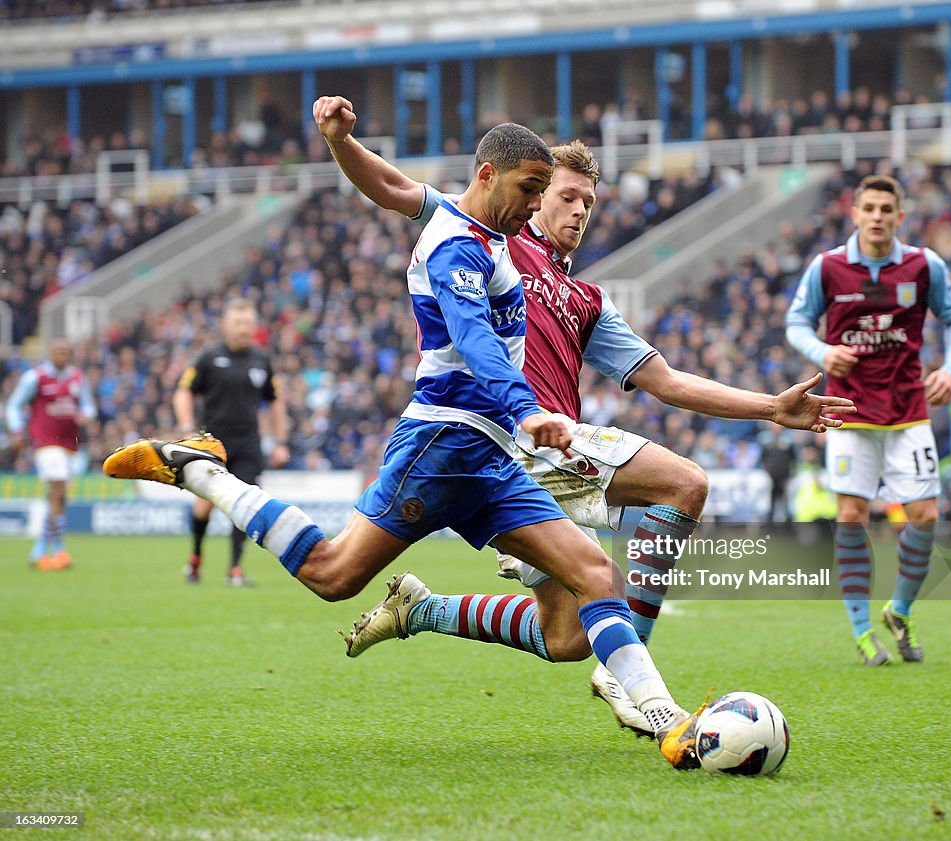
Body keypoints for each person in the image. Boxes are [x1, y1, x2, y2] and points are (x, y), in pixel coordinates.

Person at [105, 122, 707, 771]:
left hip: (493, 457)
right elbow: (474, 340)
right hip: (442, 443)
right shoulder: (455, 247)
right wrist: (528, 408)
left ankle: (669, 722)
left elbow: (390, 183)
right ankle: (202, 470)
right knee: (334, 574)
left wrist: (340, 141)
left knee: (594, 578)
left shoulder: (490, 236)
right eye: (531, 190)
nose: (537, 205)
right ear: (486, 176)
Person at [311, 94, 856, 736]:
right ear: (531, 193)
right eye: (563, 195)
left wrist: (770, 407)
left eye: (587, 202)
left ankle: (425, 611)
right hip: (515, 440)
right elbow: (392, 185)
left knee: (566, 636)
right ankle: (633, 679)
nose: (577, 210)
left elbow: (666, 380)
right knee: (684, 483)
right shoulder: (478, 235)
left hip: (542, 460)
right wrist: (341, 141)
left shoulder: (584, 298)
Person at [786, 173, 951, 666]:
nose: (877, 217)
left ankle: (901, 608)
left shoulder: (922, 265)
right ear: (855, 213)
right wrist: (823, 351)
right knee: (850, 517)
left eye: (886, 209)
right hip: (848, 412)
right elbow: (796, 323)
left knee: (925, 517)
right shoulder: (827, 268)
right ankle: (864, 632)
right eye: (869, 208)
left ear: (899, 216)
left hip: (909, 409)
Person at [173, 297, 290, 586]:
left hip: (248, 442)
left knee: (246, 502)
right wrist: (187, 427)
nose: (244, 328)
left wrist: (280, 441)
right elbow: (183, 391)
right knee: (205, 505)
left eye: (249, 323)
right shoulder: (209, 357)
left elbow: (275, 401)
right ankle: (196, 558)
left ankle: (235, 569)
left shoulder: (261, 359)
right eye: (238, 323)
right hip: (212, 442)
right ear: (225, 325)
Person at [5, 337, 96, 570]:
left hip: (69, 445)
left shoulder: (77, 377)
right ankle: (54, 551)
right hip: (45, 443)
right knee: (58, 488)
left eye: (66, 352)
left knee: (59, 495)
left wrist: (86, 415)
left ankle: (45, 550)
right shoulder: (35, 377)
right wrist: (16, 431)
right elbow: (14, 405)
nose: (62, 356)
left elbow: (88, 405)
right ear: (50, 353)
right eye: (58, 351)